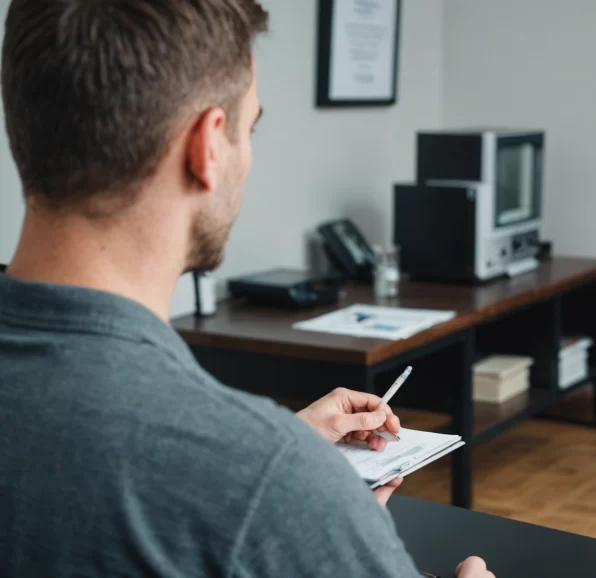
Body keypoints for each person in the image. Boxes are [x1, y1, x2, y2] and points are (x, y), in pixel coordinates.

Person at [0, 1, 494, 577]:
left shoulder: (268, 470)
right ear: (207, 146)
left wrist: (288, 455)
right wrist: (283, 477)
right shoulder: (268, 481)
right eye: (249, 127)